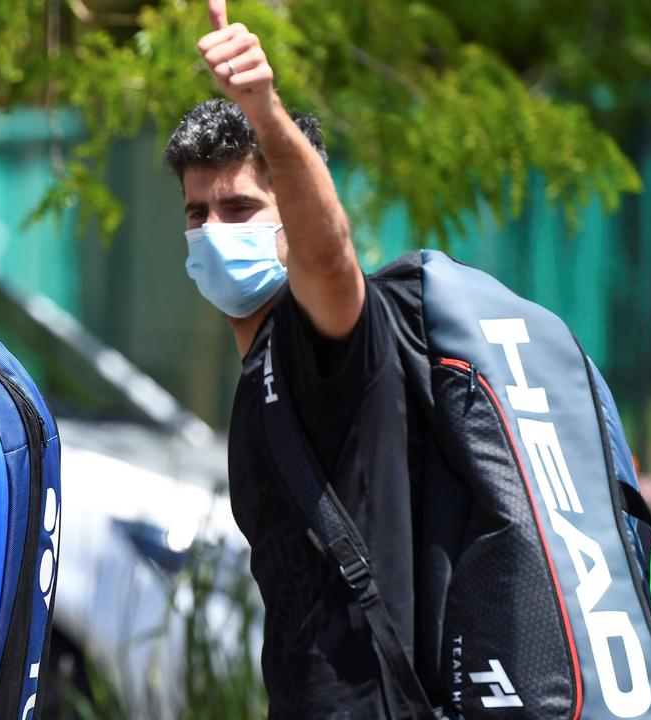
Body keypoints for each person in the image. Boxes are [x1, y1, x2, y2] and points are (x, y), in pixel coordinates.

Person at [167, 0, 436, 716]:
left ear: (287, 217)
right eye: (198, 213)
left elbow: (330, 254)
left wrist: (263, 109)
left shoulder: (324, 335)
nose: (212, 230)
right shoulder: (260, 368)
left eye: (240, 208)